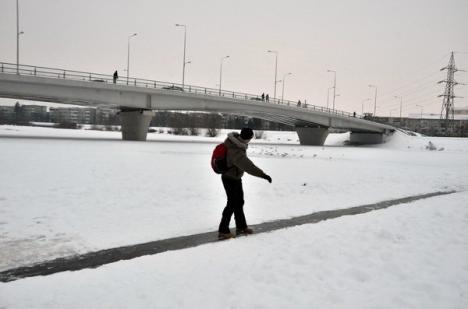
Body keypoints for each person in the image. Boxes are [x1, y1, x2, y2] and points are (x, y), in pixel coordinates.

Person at [218, 128, 272, 240]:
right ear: (248, 138)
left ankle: (241, 226)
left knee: (239, 202)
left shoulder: (237, 143)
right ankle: (223, 230)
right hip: (230, 178)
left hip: (235, 177)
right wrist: (263, 175)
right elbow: (248, 166)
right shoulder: (236, 149)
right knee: (232, 203)